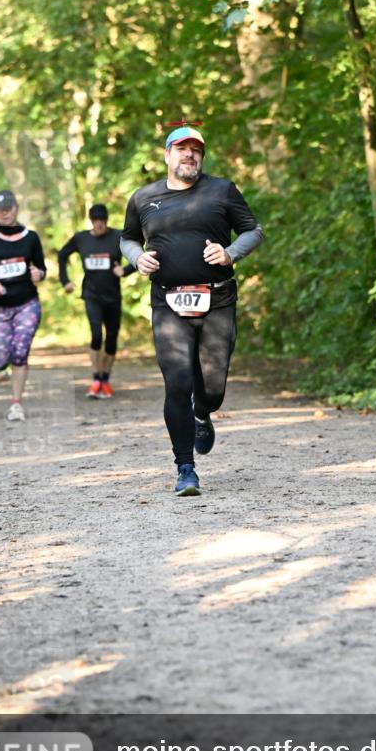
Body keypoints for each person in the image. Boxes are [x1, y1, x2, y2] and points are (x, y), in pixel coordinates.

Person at [121, 125, 263, 497]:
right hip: (167, 300)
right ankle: (185, 468)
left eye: (195, 149)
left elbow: (252, 230)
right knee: (178, 381)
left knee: (212, 390)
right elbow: (128, 238)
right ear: (167, 155)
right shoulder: (144, 197)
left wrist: (230, 252)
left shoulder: (222, 190)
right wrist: (138, 258)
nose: (189, 155)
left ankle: (204, 413)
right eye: (181, 149)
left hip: (217, 299)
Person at [0, 189, 46, 421]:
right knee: (1, 355)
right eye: (0, 210)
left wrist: (39, 274)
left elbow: (41, 267)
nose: (5, 214)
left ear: (15, 208)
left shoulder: (31, 237)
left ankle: (16, 404)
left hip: (27, 303)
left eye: (9, 209)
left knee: (20, 352)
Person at [57, 203, 136, 398]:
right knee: (96, 336)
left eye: (102, 221)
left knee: (111, 341)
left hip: (113, 297)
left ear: (107, 221)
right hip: (91, 295)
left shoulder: (118, 236)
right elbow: (61, 255)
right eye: (96, 221)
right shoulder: (81, 238)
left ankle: (105, 380)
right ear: (90, 221)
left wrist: (124, 271)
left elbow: (138, 255)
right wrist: (65, 281)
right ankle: (96, 378)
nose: (99, 224)